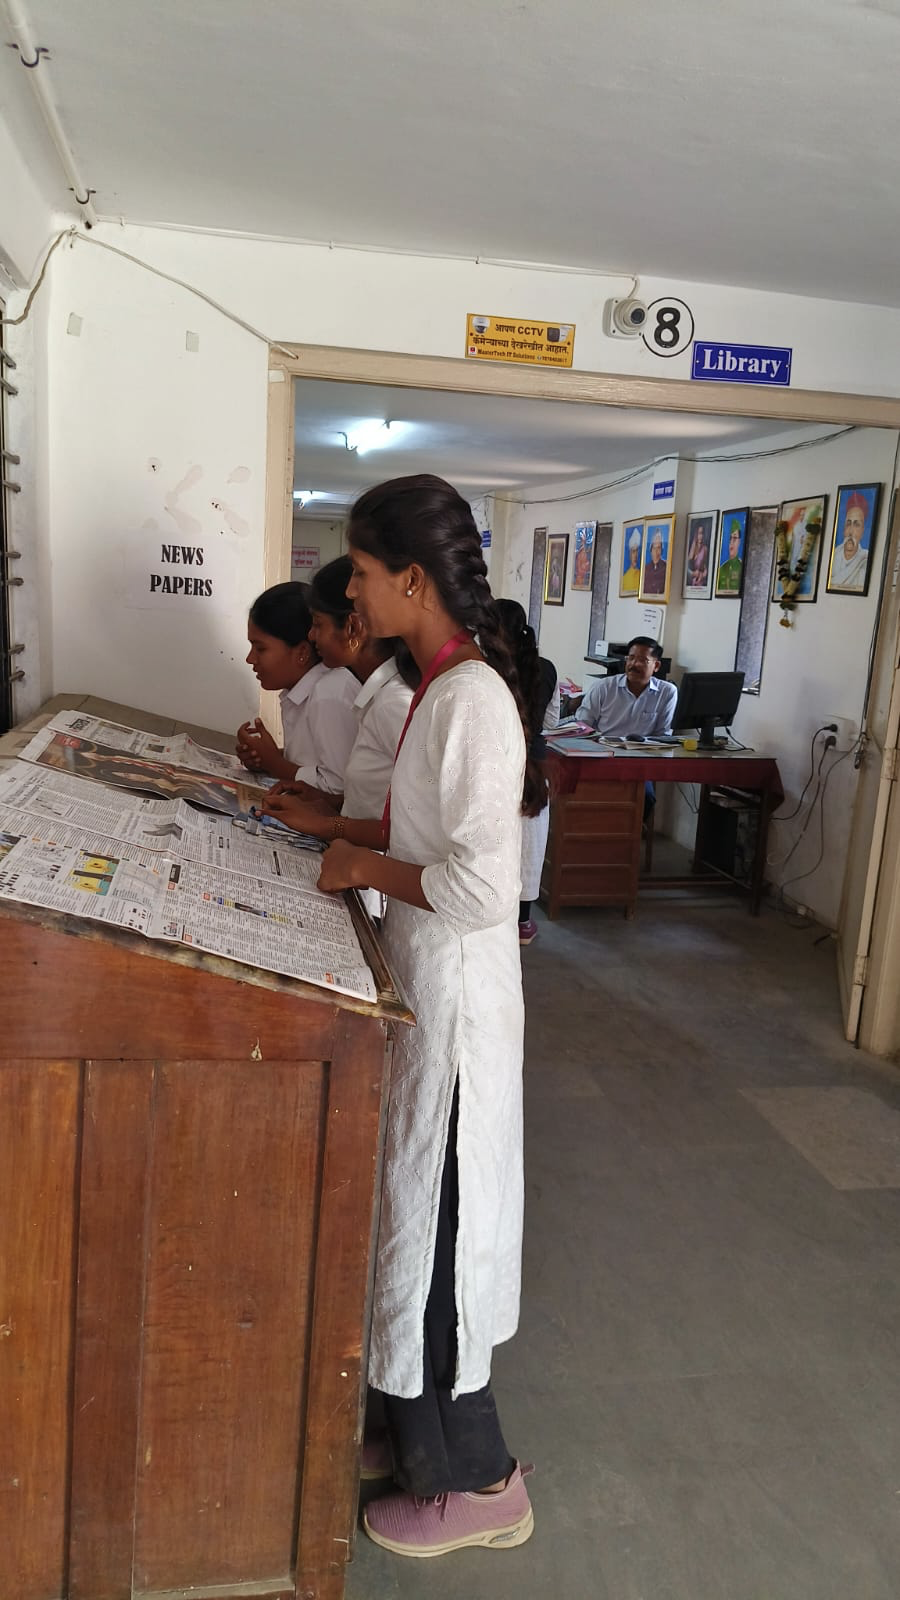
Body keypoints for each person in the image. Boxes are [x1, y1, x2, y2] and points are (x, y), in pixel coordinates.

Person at [312, 474, 540, 1557]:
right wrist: (348, 830)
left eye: (360, 573)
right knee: (415, 1222)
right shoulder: (435, 687)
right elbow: (422, 834)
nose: (353, 593)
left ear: (411, 578)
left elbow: (484, 888)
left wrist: (361, 858)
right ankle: (411, 1431)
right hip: (429, 988)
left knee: (441, 1237)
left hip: (459, 1010)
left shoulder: (475, 701)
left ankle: (480, 1479)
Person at [259, 557, 417, 905]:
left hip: (379, 881)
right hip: (358, 869)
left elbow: (411, 828)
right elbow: (371, 799)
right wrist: (319, 800)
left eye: (317, 625)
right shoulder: (373, 695)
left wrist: (328, 824)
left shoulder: (392, 704)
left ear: (353, 628)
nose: (312, 636)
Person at [235, 580, 358, 794]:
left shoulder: (329, 693)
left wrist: (274, 763)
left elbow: (338, 787)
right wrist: (265, 758)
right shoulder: (298, 692)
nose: (250, 658)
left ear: (302, 653)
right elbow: (314, 764)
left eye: (260, 648)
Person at [496, 598, 557, 945]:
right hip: (533, 769)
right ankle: (523, 922)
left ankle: (497, 915)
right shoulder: (545, 668)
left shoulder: (486, 666)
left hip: (499, 763)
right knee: (528, 846)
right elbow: (550, 722)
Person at [577, 637, 676, 738]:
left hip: (643, 751)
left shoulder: (667, 692)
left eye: (642, 660)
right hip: (604, 749)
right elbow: (582, 726)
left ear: (656, 666)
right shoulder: (603, 687)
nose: (634, 664)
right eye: (631, 658)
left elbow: (662, 735)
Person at [830, 492, 870, 591]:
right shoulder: (833, 556)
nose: (851, 532)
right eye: (848, 524)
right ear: (844, 528)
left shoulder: (865, 559)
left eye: (856, 525)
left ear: (862, 531)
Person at [716, 519, 744, 594]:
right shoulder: (722, 568)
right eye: (730, 538)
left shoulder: (742, 567)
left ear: (739, 542)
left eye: (734, 538)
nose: (731, 542)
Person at [642, 527, 667, 595]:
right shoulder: (645, 569)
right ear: (650, 550)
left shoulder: (666, 567)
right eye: (654, 548)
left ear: (662, 550)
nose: (656, 552)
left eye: (658, 548)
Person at [686, 520, 710, 588]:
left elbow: (706, 569)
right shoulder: (691, 548)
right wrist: (693, 574)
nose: (701, 536)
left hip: (701, 582)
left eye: (702, 533)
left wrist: (702, 575)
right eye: (699, 533)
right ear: (696, 534)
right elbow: (686, 569)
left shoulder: (705, 549)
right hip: (691, 582)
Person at [622, 527, 642, 593]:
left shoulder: (641, 576)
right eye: (633, 551)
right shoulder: (624, 579)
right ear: (630, 554)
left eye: (637, 551)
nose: (635, 555)